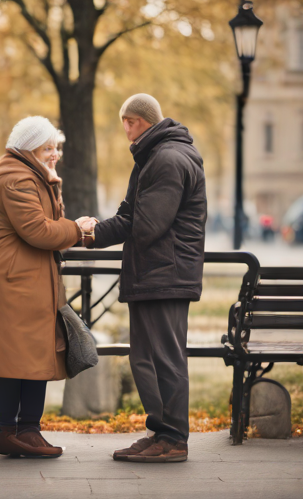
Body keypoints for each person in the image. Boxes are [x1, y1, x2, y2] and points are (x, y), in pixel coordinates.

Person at [81, 94, 207, 462]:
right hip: (154, 272)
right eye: (123, 122)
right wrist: (93, 233)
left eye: (131, 122)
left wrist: (93, 235)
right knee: (146, 359)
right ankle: (159, 432)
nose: (126, 130)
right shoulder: (152, 157)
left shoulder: (167, 159)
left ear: (148, 121)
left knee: (164, 359)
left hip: (164, 273)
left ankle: (173, 439)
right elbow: (128, 212)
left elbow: (148, 224)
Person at [0, 116, 85, 458]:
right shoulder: (15, 179)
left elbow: (51, 223)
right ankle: (10, 431)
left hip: (29, 281)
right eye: (47, 148)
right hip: (17, 283)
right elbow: (39, 231)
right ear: (29, 146)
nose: (54, 154)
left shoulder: (31, 175)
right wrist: (78, 229)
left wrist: (52, 182)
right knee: (19, 361)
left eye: (56, 148)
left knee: (32, 359)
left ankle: (26, 431)